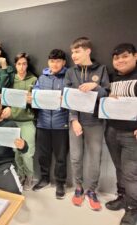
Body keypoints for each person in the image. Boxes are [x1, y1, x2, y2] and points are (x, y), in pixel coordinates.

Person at [65, 37, 110, 211]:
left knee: (94, 158)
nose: (73, 55)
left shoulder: (102, 69)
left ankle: (91, 191)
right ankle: (78, 187)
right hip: (76, 122)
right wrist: (74, 120)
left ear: (87, 51)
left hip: (95, 123)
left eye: (77, 51)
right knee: (76, 157)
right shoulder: (70, 72)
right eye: (72, 52)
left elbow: (106, 93)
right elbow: (68, 97)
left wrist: (95, 86)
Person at [104, 43, 137, 225]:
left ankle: (133, 208)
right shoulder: (110, 78)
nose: (120, 61)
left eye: (125, 56)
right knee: (120, 169)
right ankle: (122, 197)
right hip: (112, 130)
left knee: (132, 174)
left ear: (135, 56)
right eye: (116, 58)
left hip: (132, 134)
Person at [31, 49, 69, 199]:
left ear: (64, 62)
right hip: (43, 123)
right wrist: (33, 98)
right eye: (52, 61)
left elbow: (72, 98)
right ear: (48, 62)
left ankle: (60, 183)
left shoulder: (69, 76)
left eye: (58, 61)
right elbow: (36, 97)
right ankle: (44, 178)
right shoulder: (41, 78)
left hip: (62, 124)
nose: (55, 64)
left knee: (61, 157)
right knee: (43, 155)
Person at [3, 52, 37, 190]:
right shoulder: (11, 80)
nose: (21, 67)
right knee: (15, 152)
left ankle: (30, 177)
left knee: (28, 153)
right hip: (13, 121)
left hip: (27, 121)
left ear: (27, 65)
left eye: (24, 64)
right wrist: (8, 108)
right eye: (19, 64)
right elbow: (5, 97)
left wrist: (32, 101)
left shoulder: (33, 79)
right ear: (15, 65)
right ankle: (20, 175)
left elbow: (39, 101)